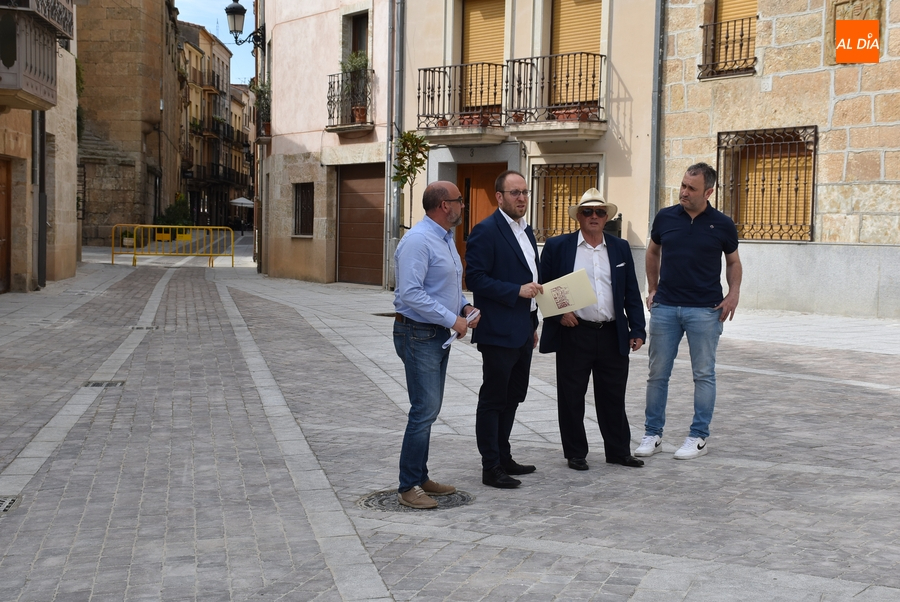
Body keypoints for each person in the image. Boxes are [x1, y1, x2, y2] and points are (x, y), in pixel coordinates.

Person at [635, 162, 742, 460]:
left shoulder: (722, 224)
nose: (683, 192)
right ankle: (652, 433)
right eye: (682, 185)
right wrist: (652, 288)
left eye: (691, 188)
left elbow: (733, 262)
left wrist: (733, 294)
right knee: (657, 374)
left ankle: (698, 437)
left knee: (704, 375)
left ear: (708, 191)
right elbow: (653, 251)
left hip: (706, 311)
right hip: (666, 307)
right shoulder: (665, 217)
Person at [539, 188, 646, 471]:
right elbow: (543, 286)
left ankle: (619, 451)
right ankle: (575, 453)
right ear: (579, 217)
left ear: (607, 217)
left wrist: (638, 328)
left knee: (613, 395)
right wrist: (560, 314)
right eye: (588, 212)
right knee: (572, 396)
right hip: (576, 332)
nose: (594, 216)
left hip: (613, 332)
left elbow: (631, 291)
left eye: (600, 212)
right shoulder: (558, 247)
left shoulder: (620, 247)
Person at [393, 181, 481, 508]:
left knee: (430, 409)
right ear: (445, 205)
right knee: (424, 409)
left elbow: (443, 288)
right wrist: (452, 320)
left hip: (434, 334)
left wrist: (464, 308)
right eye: (460, 201)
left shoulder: (444, 239)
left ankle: (420, 476)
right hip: (417, 334)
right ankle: (407, 486)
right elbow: (411, 294)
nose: (463, 206)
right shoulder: (418, 240)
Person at [465, 170, 542, 489]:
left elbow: (533, 276)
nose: (522, 198)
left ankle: (504, 455)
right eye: (515, 193)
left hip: (523, 328)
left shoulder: (526, 231)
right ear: (499, 197)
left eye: (524, 192)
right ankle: (490, 466)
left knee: (514, 396)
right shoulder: (485, 231)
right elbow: (476, 279)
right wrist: (516, 291)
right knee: (494, 398)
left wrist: (533, 322)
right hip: (497, 330)